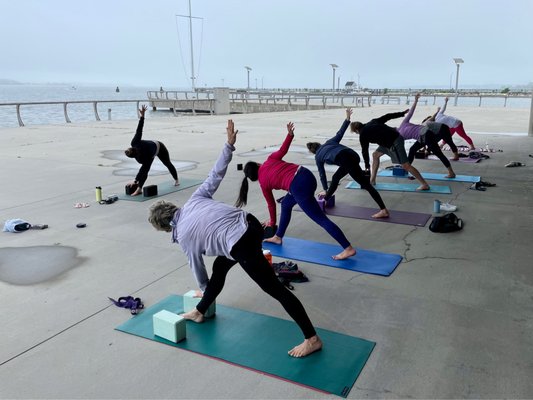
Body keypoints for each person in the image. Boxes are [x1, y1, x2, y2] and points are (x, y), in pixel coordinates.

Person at [148, 120, 322, 358]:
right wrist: (228, 145)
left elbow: (197, 268)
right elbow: (215, 174)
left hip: (241, 242)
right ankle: (200, 311)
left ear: (166, 228)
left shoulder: (185, 238)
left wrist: (203, 289)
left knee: (274, 289)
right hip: (250, 223)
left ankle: (312, 339)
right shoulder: (194, 199)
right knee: (220, 265)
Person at [236, 122, 356, 260]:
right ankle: (278, 237)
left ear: (254, 178)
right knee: (286, 204)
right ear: (258, 164)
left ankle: (348, 248)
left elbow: (271, 205)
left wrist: (272, 222)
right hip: (306, 175)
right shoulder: (270, 159)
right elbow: (283, 150)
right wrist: (290, 135)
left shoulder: (263, 184)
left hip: (298, 187)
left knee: (321, 219)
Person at [306, 108, 389, 218]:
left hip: (345, 159)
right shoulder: (329, 142)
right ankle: (327, 197)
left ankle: (383, 210)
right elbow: (340, 133)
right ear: (319, 144)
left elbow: (322, 174)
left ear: (313, 152)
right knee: (336, 178)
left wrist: (325, 189)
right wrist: (347, 118)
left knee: (366, 185)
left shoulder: (318, 157)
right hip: (353, 155)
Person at [350, 109, 430, 191]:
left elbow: (364, 151)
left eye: (355, 132)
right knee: (375, 155)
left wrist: (367, 166)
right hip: (388, 142)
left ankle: (424, 184)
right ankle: (372, 180)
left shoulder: (363, 134)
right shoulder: (372, 122)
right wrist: (401, 113)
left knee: (405, 165)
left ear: (356, 130)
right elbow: (387, 116)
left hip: (395, 142)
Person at [395, 93, 459, 178]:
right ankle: (407, 168)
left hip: (426, 134)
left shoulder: (399, 135)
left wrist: (416, 100)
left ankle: (451, 173)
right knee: (412, 149)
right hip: (423, 135)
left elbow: (399, 148)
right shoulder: (402, 125)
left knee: (438, 153)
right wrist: (416, 100)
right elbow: (411, 112)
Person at [125, 105, 179, 196]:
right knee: (146, 170)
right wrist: (142, 116)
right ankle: (139, 189)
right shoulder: (136, 145)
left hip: (159, 147)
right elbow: (139, 130)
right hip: (150, 151)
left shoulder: (141, 155)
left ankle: (176, 179)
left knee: (167, 163)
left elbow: (139, 130)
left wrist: (135, 180)